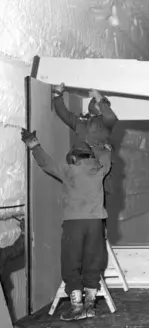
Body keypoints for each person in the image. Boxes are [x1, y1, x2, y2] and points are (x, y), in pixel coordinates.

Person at [21, 128, 112, 321]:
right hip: (96, 223)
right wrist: (104, 148)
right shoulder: (100, 170)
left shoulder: (68, 170)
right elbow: (107, 157)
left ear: (73, 156)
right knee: (93, 262)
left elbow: (46, 163)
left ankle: (77, 307)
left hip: (74, 223)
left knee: (71, 262)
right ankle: (90, 305)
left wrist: (34, 144)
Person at [52, 82, 118, 158]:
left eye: (101, 105)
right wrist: (57, 95)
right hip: (78, 161)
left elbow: (110, 117)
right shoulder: (82, 122)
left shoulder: (107, 124)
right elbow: (65, 115)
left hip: (95, 163)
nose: (99, 105)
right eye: (96, 102)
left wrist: (98, 97)